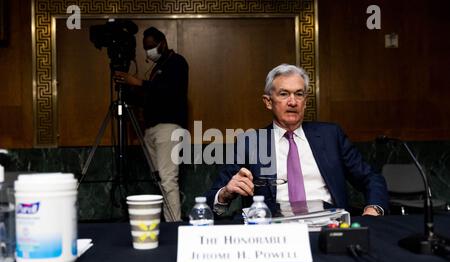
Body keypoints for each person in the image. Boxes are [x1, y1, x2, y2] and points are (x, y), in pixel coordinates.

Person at [205, 64, 388, 217]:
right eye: (284, 94)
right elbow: (212, 202)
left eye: (299, 94)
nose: (293, 102)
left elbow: (370, 178)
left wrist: (374, 208)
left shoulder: (331, 135)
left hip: (329, 224)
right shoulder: (250, 142)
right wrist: (225, 194)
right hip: (273, 231)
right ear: (268, 102)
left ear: (305, 101)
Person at [114, 26, 188, 222]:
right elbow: (150, 98)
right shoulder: (155, 69)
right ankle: (168, 219)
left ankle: (174, 224)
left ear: (162, 43)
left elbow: (171, 92)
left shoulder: (177, 63)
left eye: (151, 46)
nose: (149, 51)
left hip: (169, 128)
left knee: (167, 178)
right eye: (145, 47)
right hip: (151, 128)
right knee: (159, 179)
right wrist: (128, 88)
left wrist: (139, 83)